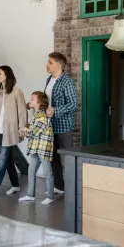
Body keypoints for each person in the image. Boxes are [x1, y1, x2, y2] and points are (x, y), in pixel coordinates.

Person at [0, 66, 28, 198]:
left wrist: (22, 127)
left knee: (2, 159)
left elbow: (22, 111)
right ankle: (15, 185)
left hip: (11, 130)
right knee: (8, 159)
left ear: (6, 75)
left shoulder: (17, 92)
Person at [44, 52, 77, 194]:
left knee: (68, 159)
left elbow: (73, 104)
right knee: (53, 158)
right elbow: (48, 101)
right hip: (50, 126)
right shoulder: (48, 80)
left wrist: (55, 110)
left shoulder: (67, 81)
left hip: (64, 126)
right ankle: (60, 186)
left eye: (50, 62)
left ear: (59, 65)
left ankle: (73, 188)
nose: (47, 64)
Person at [18, 91, 55, 204]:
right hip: (35, 148)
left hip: (43, 149)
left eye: (33, 99)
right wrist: (25, 130)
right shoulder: (35, 115)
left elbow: (34, 132)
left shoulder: (42, 116)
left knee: (48, 173)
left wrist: (24, 130)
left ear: (39, 102)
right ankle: (30, 195)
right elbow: (31, 132)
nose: (30, 100)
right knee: (31, 171)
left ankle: (50, 196)